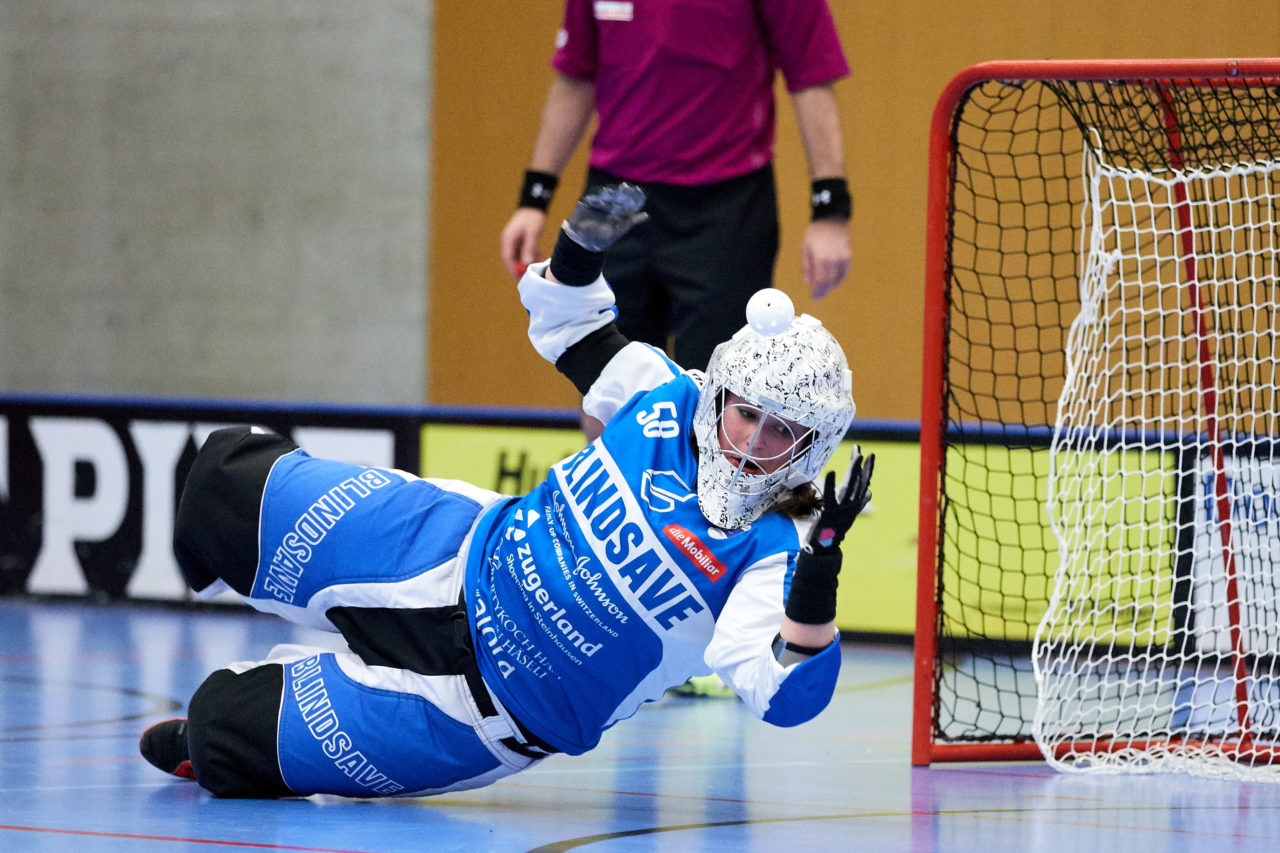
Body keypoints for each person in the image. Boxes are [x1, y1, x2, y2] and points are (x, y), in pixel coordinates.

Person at [139, 186, 874, 799]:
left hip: (475, 712)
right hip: (442, 550)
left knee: (222, 733)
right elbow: (568, 324)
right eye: (746, 413)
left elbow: (779, 692)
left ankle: (238, 728)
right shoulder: (661, 395)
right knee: (224, 484)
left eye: (780, 432)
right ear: (720, 393)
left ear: (812, 449)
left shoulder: (774, 551)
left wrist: (821, 569)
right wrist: (581, 247)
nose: (750, 441)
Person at [500, 0, 853, 375]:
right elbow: (575, 75)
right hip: (614, 197)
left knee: (714, 389)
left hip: (725, 206)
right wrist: (533, 199)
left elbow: (810, 74)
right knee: (603, 377)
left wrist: (830, 212)